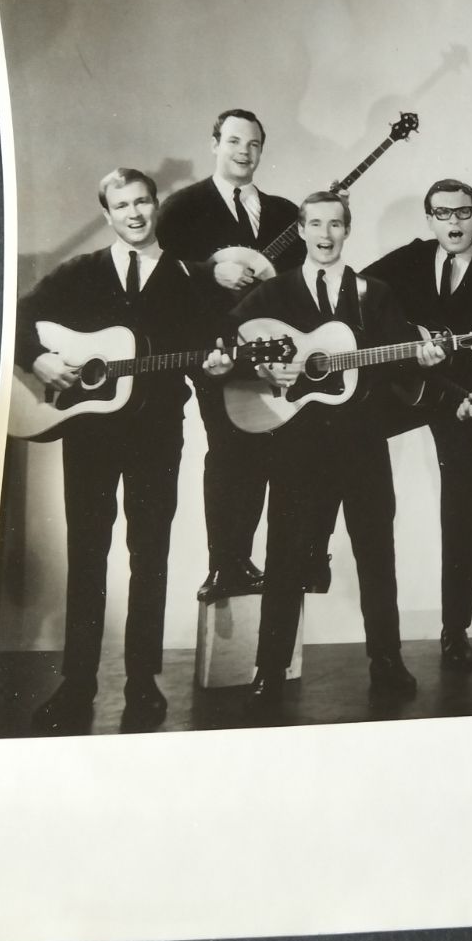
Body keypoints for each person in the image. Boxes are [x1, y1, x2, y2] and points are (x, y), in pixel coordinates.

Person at [16, 168, 231, 732]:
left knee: (149, 556)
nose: (134, 214)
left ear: (156, 206)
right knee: (87, 554)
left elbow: (211, 349)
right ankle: (77, 684)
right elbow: (16, 316)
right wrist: (38, 358)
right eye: (122, 205)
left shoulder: (189, 277)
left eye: (142, 202)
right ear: (107, 214)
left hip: (156, 435)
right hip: (89, 434)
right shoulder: (81, 272)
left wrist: (217, 364)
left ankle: (142, 682)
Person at [232, 192, 446, 720]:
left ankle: (386, 660)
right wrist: (262, 368)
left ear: (347, 230)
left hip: (362, 443)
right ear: (302, 230)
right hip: (297, 447)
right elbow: (229, 342)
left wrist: (424, 358)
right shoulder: (274, 292)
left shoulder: (374, 293)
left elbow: (400, 362)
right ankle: (269, 669)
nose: (325, 235)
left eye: (335, 224)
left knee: (376, 553)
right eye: (316, 224)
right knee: (285, 556)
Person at [363, 179, 472, 671]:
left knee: (461, 510)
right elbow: (357, 293)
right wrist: (406, 342)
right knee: (351, 439)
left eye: (463, 212)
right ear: (429, 220)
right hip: (410, 389)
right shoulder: (409, 258)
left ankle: (455, 629)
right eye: (443, 213)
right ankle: (378, 638)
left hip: (467, 399)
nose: (453, 222)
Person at [156, 108, 303, 604]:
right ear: (214, 143)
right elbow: (161, 273)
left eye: (254, 144)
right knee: (227, 450)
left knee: (266, 452)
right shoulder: (183, 207)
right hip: (213, 351)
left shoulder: (284, 214)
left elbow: (296, 282)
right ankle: (223, 564)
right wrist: (209, 271)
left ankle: (245, 561)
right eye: (235, 141)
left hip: (272, 349)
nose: (244, 151)